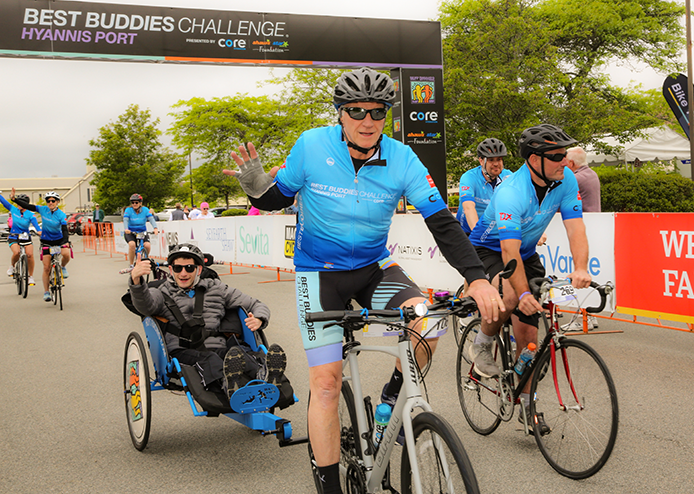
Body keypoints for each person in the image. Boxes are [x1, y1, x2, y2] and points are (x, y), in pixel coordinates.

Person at [223, 67, 502, 494]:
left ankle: (392, 395)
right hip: (319, 276)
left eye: (378, 111)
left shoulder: (403, 157)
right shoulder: (313, 145)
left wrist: (478, 279)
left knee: (429, 321)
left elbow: (442, 223)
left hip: (374, 269)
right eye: (356, 111)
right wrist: (255, 186)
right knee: (327, 383)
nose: (368, 120)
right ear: (341, 113)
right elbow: (276, 196)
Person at [468, 124, 592, 434]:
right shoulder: (511, 191)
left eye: (565, 155)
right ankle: (482, 343)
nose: (564, 161)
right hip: (488, 249)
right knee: (512, 297)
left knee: (529, 336)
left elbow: (576, 229)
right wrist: (522, 294)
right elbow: (507, 251)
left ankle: (527, 405)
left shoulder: (565, 180)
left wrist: (581, 267)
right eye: (556, 156)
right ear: (534, 160)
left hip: (524, 251)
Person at [128, 243, 287, 403]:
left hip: (218, 346)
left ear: (199, 269)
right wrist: (136, 280)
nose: (183, 273)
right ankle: (229, 385)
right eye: (178, 268)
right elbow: (144, 305)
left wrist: (259, 318)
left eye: (189, 268)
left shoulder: (217, 288)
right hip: (182, 351)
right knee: (210, 359)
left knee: (240, 354)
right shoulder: (160, 293)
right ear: (170, 270)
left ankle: (264, 376)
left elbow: (256, 304)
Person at [11, 189, 72, 302]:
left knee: (66, 254)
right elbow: (28, 206)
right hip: (46, 241)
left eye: (53, 201)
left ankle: (62, 267)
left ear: (57, 202)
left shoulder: (61, 214)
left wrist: (66, 241)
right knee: (46, 267)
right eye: (48, 201)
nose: (50, 202)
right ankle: (46, 291)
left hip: (59, 240)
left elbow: (64, 230)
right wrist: (15, 200)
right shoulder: (43, 209)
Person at [456, 138, 512, 235]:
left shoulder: (508, 177)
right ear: (481, 161)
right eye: (491, 160)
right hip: (468, 231)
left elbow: (522, 205)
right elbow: (469, 207)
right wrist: (478, 233)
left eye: (499, 159)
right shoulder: (469, 177)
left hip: (494, 232)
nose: (496, 164)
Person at [1, 192, 41, 287]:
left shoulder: (30, 214)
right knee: (16, 252)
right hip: (14, 236)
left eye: (21, 203)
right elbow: (3, 201)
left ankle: (30, 276)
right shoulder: (13, 209)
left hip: (25, 237)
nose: (18, 204)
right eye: (18, 202)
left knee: (30, 255)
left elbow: (36, 226)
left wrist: (40, 232)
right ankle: (12, 266)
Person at [123, 193, 159, 267]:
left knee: (147, 245)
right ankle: (131, 264)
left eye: (136, 202)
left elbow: (151, 219)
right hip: (131, 231)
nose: (134, 204)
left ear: (140, 203)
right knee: (132, 245)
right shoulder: (128, 210)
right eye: (133, 202)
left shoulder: (145, 210)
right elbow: (125, 220)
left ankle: (145, 257)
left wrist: (155, 228)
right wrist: (126, 229)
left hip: (142, 231)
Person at [566, 146, 601, 212]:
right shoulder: (592, 174)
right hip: (594, 217)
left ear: (571, 163)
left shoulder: (576, 178)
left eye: (565, 161)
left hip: (583, 219)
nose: (563, 164)